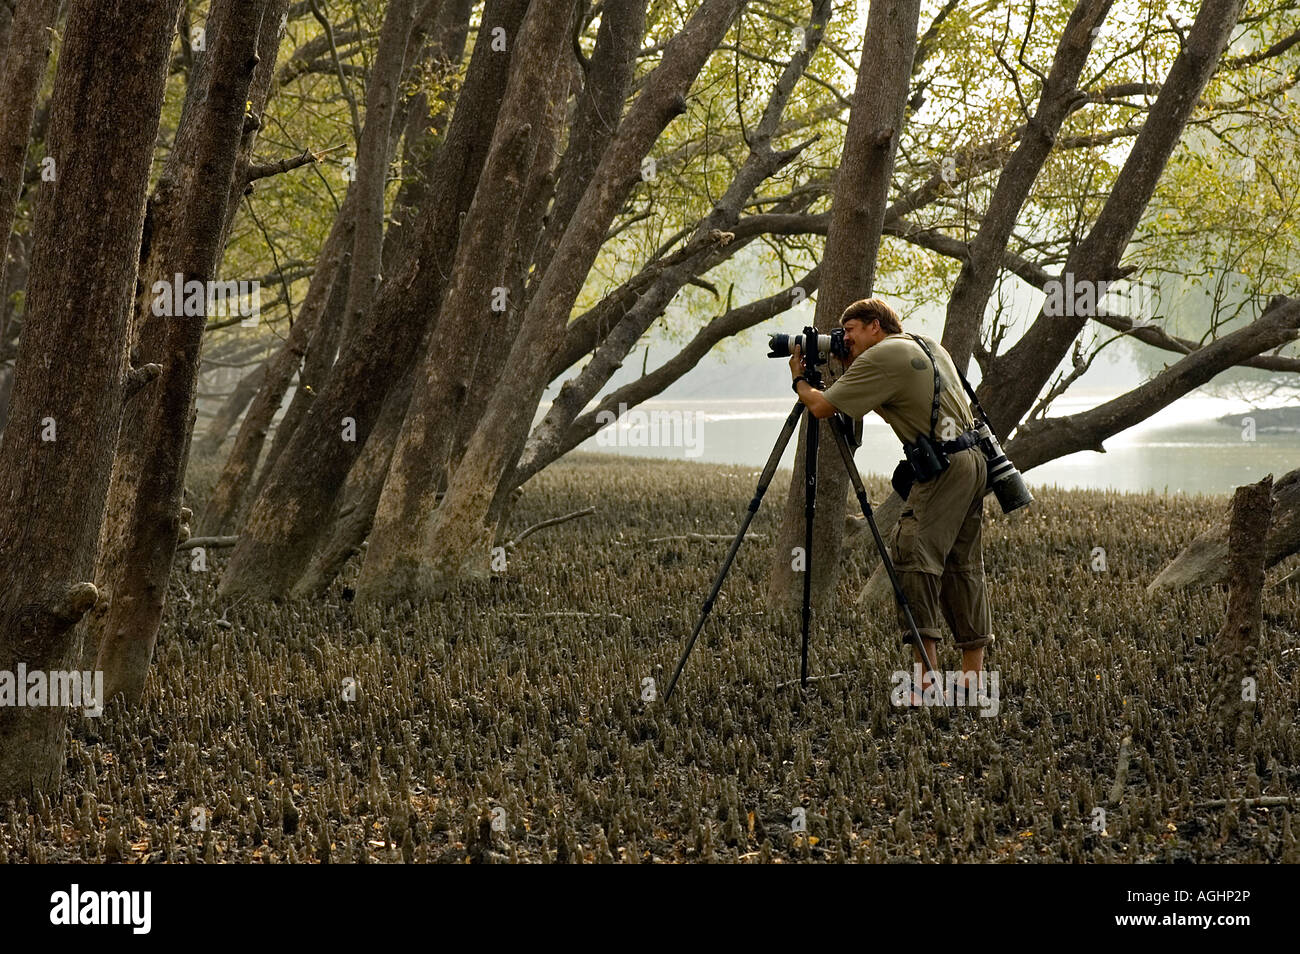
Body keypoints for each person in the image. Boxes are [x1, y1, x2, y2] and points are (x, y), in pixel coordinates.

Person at [789, 297, 993, 706]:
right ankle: (972, 681)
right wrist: (847, 367)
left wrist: (799, 379)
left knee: (912, 556)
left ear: (874, 327)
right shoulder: (925, 344)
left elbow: (821, 407)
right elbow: (886, 400)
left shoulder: (882, 356)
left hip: (942, 468)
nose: (843, 341)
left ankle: (925, 684)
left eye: (849, 332)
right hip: (973, 461)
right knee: (963, 564)